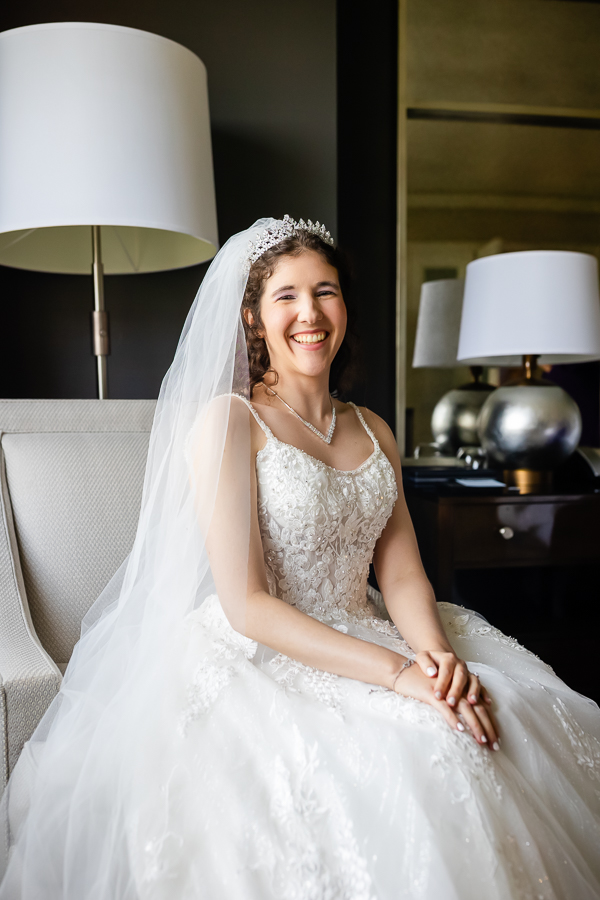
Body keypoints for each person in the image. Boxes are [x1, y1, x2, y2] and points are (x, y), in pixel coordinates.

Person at [1, 216, 599, 900]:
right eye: (286, 295)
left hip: (374, 622)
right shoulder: (230, 422)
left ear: (344, 306)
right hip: (266, 651)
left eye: (326, 291)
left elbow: (400, 571)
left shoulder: (374, 428)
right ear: (255, 318)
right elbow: (247, 604)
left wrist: (436, 658)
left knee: (503, 713)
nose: (309, 313)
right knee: (423, 756)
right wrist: (399, 674)